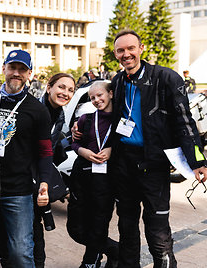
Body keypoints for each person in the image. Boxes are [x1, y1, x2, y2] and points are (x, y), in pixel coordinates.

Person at [73, 29, 207, 267]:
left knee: (157, 231)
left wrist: (197, 161)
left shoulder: (166, 78)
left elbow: (184, 122)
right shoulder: (117, 81)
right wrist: (79, 127)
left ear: (141, 49)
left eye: (130, 48)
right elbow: (108, 117)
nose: (126, 54)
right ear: (116, 54)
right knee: (127, 228)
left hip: (153, 164)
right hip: (124, 165)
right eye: (121, 51)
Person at [0, 49, 53, 268]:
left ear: (30, 73)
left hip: (18, 191)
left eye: (22, 69)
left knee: (20, 253)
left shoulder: (37, 110)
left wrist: (45, 182)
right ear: (4, 69)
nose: (16, 73)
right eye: (12, 68)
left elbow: (46, 152)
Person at [68, 81, 118, 268]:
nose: (96, 100)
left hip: (107, 181)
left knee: (99, 224)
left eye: (100, 95)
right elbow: (73, 143)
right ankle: (117, 251)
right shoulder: (86, 119)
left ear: (111, 93)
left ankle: (90, 261)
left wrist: (113, 150)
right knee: (76, 228)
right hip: (83, 178)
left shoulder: (122, 120)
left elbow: (131, 145)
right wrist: (84, 152)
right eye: (92, 98)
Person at [34, 72, 76, 267]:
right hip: (24, 176)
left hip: (39, 174)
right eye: (61, 87)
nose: (65, 93)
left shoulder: (59, 114)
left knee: (35, 228)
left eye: (70, 90)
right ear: (49, 87)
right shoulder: (34, 108)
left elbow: (48, 148)